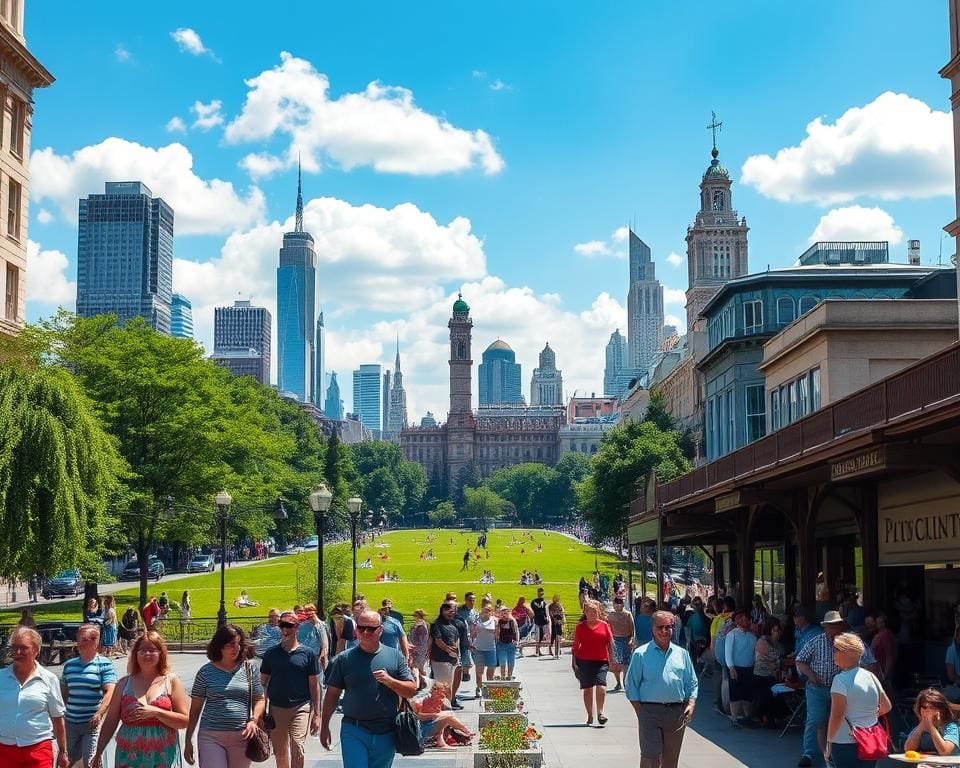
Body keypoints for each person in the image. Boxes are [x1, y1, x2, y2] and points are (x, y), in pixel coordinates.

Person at [320, 610, 417, 768]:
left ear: (381, 630)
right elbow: (332, 695)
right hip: (354, 729)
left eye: (371, 628)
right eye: (361, 628)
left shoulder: (395, 656)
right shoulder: (344, 659)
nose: (365, 632)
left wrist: (390, 681)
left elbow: (411, 690)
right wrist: (324, 727)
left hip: (386, 730)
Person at [91, 630, 190, 768]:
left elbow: (185, 721)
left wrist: (156, 712)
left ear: (161, 653)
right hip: (129, 754)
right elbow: (111, 721)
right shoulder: (123, 684)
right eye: (142, 650)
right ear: (135, 654)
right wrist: (98, 751)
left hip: (162, 754)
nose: (147, 654)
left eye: (152, 650)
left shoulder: (171, 681)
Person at [795, 610, 878, 768]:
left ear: (841, 626)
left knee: (842, 720)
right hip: (818, 687)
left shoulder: (850, 643)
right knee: (816, 719)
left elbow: (870, 660)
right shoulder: (815, 641)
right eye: (830, 626)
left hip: (844, 689)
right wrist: (811, 675)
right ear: (825, 627)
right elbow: (800, 660)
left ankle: (834, 754)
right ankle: (810, 754)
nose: (834, 629)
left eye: (836, 625)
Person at [183, 624, 265, 768]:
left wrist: (254, 720)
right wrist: (188, 739)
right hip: (211, 736)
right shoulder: (205, 672)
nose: (236, 648)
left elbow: (259, 699)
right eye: (231, 644)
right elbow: (195, 709)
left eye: (239, 643)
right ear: (220, 646)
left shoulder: (249, 669)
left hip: (242, 735)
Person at [625, 610, 698, 768]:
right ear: (653, 629)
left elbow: (692, 682)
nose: (664, 631)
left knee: (670, 761)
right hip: (649, 711)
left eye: (668, 627)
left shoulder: (682, 654)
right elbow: (631, 686)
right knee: (650, 758)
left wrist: (691, 704)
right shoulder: (640, 654)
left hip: (676, 712)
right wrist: (641, 712)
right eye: (660, 627)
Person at [0, 626, 69, 768]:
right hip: (4, 750)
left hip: (38, 749)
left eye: (23, 648)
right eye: (14, 647)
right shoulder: (1, 678)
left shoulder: (49, 679)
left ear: (36, 650)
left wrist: (63, 751)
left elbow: (57, 717)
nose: (17, 652)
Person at [259, 611, 321, 768]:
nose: (285, 629)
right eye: (282, 625)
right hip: (277, 707)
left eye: (289, 626)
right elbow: (263, 684)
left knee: (298, 747)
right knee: (280, 752)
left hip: (301, 706)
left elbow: (314, 686)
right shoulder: (271, 654)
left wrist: (317, 715)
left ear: (297, 628)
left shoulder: (308, 654)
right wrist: (260, 712)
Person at [824, 633, 891, 768]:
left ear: (848, 653)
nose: (834, 653)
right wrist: (866, 717)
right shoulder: (870, 676)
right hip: (870, 739)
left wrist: (829, 741)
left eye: (837, 649)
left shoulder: (840, 680)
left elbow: (837, 715)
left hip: (845, 742)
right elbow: (886, 706)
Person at [61, 624, 117, 768]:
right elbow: (64, 692)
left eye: (86, 639)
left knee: (91, 761)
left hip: (91, 723)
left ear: (95, 642)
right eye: (80, 639)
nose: (81, 643)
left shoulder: (104, 664)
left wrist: (100, 713)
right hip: (70, 722)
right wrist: (62, 712)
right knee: (67, 760)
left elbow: (110, 691)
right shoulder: (69, 665)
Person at [572, 599, 615, 727]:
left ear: (598, 612)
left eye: (594, 611)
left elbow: (610, 644)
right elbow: (575, 646)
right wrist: (574, 662)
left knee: (601, 684)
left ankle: (600, 713)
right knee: (587, 688)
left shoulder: (604, 625)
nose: (592, 613)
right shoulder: (580, 627)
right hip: (584, 660)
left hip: (601, 660)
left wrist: (611, 659)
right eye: (589, 611)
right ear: (585, 613)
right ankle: (590, 714)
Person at [411, 682, 473, 749]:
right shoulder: (420, 701)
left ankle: (464, 732)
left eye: (443, 692)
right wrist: (434, 715)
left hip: (430, 725)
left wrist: (440, 710)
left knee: (448, 715)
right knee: (446, 717)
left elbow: (449, 714)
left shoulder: (441, 700)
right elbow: (417, 716)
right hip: (421, 729)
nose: (442, 695)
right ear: (433, 690)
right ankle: (466, 732)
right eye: (440, 692)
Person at [903, 688, 960, 757]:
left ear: (941, 710)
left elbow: (945, 751)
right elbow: (908, 749)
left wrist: (931, 728)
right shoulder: (920, 727)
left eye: (932, 707)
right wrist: (920, 728)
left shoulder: (950, 727)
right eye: (924, 707)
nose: (927, 711)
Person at [725, 610, 757, 726]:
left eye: (747, 620)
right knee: (735, 693)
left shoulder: (752, 636)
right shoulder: (732, 634)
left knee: (747, 694)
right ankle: (734, 717)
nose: (745, 622)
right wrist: (731, 667)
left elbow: (754, 653)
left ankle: (747, 717)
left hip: (749, 667)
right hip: (736, 667)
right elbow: (728, 652)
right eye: (742, 619)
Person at [752, 616, 785, 728]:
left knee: (773, 697)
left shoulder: (775, 642)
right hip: (762, 675)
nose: (778, 632)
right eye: (776, 630)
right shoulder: (763, 641)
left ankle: (772, 718)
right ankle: (763, 718)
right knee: (764, 698)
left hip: (772, 675)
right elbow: (775, 656)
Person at [429, 601, 461, 689]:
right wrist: (450, 651)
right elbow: (438, 641)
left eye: (453, 611)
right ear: (442, 611)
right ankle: (442, 702)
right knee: (442, 688)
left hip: (451, 661)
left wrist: (456, 655)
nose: (451, 613)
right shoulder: (436, 624)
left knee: (448, 687)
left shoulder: (453, 627)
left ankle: (448, 702)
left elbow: (455, 642)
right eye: (448, 611)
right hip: (440, 660)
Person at [607, 597, 634, 693]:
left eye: (620, 603)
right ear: (613, 605)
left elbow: (632, 628)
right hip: (615, 640)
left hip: (626, 640)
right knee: (615, 664)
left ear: (623, 604)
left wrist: (631, 639)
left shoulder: (628, 614)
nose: (618, 605)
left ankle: (625, 681)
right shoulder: (610, 615)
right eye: (616, 603)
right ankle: (618, 682)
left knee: (626, 662)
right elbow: (607, 629)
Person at [471, 601, 498, 696]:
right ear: (482, 609)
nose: (487, 611)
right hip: (479, 648)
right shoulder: (477, 620)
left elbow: (497, 634)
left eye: (489, 610)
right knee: (479, 672)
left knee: (490, 672)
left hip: (491, 648)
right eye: (485, 609)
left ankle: (489, 689)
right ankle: (479, 688)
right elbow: (472, 634)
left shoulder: (494, 620)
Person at [296, 604, 329, 670]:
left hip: (316, 657)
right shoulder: (301, 624)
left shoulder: (320, 625)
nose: (308, 613)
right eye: (305, 611)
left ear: (315, 611)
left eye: (310, 610)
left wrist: (321, 658)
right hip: (302, 655)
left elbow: (324, 644)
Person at [495, 606, 520, 679]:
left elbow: (516, 631)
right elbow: (497, 632)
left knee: (511, 660)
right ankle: (503, 676)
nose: (504, 615)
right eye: (502, 613)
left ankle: (509, 676)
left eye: (506, 613)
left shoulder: (512, 621)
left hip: (511, 643)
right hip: (501, 643)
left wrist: (517, 641)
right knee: (502, 661)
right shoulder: (499, 621)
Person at [530, 588, 550, 657]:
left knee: (541, 637)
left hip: (543, 621)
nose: (541, 595)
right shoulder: (534, 602)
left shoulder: (544, 602)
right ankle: (536, 651)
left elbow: (545, 611)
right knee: (537, 637)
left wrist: (546, 617)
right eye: (540, 593)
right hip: (537, 622)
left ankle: (539, 650)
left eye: (542, 593)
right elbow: (535, 609)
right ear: (537, 593)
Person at [409, 610, 429, 677]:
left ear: (419, 616)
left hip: (419, 649)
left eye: (415, 615)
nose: (414, 617)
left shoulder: (421, 626)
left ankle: (422, 681)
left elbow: (420, 640)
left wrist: (415, 649)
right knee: (417, 666)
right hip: (416, 648)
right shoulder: (418, 624)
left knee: (418, 667)